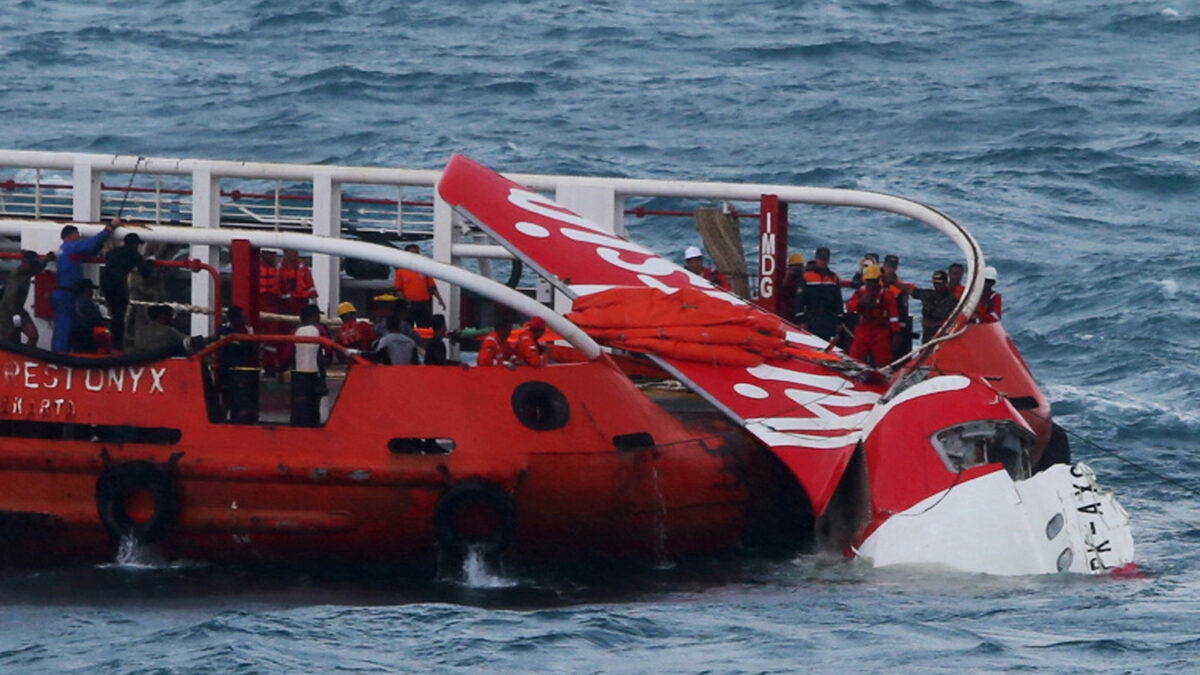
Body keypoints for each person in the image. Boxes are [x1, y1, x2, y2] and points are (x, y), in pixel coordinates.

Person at [52, 220, 115, 351]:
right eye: (77, 235)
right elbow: (90, 244)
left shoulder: (65, 250)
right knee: (64, 325)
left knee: (65, 325)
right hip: (67, 293)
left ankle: (62, 353)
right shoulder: (71, 247)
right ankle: (59, 356)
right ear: (71, 235)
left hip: (64, 292)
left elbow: (90, 249)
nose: (79, 238)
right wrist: (109, 228)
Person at [846, 264, 900, 367]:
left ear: (879, 279)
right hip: (864, 329)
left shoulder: (887, 294)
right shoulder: (860, 293)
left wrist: (896, 334)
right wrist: (860, 303)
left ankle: (884, 378)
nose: (872, 284)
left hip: (881, 330)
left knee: (883, 360)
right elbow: (850, 307)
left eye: (874, 281)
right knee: (855, 359)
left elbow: (894, 316)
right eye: (869, 281)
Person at [100, 232, 144, 350]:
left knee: (114, 313)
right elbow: (146, 273)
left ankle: (113, 342)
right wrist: (149, 262)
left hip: (105, 284)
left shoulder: (113, 252)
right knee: (119, 316)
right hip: (118, 285)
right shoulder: (134, 255)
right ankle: (117, 344)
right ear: (135, 245)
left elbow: (108, 257)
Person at [0, 250, 50, 344]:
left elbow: (39, 266)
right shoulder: (16, 276)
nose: (23, 264)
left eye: (25, 262)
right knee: (10, 341)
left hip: (18, 310)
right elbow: (10, 298)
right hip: (7, 313)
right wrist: (16, 317)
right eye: (23, 262)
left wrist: (47, 258)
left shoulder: (28, 270)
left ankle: (27, 356)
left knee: (33, 336)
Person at [394, 244, 446, 328]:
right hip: (409, 304)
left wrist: (440, 299)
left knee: (424, 326)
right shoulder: (400, 271)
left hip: (424, 304)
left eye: (416, 253)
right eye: (412, 254)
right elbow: (398, 289)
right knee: (407, 326)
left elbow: (432, 287)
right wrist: (405, 301)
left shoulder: (423, 269)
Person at [798, 246, 843, 342]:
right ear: (815, 259)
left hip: (829, 318)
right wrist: (802, 320)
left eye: (825, 259)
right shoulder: (806, 277)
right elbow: (800, 301)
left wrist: (839, 320)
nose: (822, 261)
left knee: (828, 346)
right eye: (820, 259)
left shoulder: (834, 278)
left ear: (828, 260)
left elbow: (838, 300)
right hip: (812, 317)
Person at [911, 270, 959, 342]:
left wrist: (934, 324)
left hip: (943, 336)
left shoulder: (951, 299)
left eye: (939, 284)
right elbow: (911, 291)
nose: (937, 286)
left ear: (945, 283)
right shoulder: (928, 295)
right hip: (927, 336)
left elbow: (956, 320)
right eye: (935, 283)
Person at [278, 249, 317, 316]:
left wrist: (314, 303)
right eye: (292, 251)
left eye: (295, 252)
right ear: (285, 253)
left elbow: (311, 287)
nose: (294, 254)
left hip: (301, 304)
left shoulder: (304, 269)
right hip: (284, 305)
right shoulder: (279, 269)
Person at [777, 252, 806, 322]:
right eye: (794, 267)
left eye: (799, 267)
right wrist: (788, 276)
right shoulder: (786, 281)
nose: (796, 270)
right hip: (789, 312)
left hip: (801, 313)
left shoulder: (805, 280)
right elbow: (781, 294)